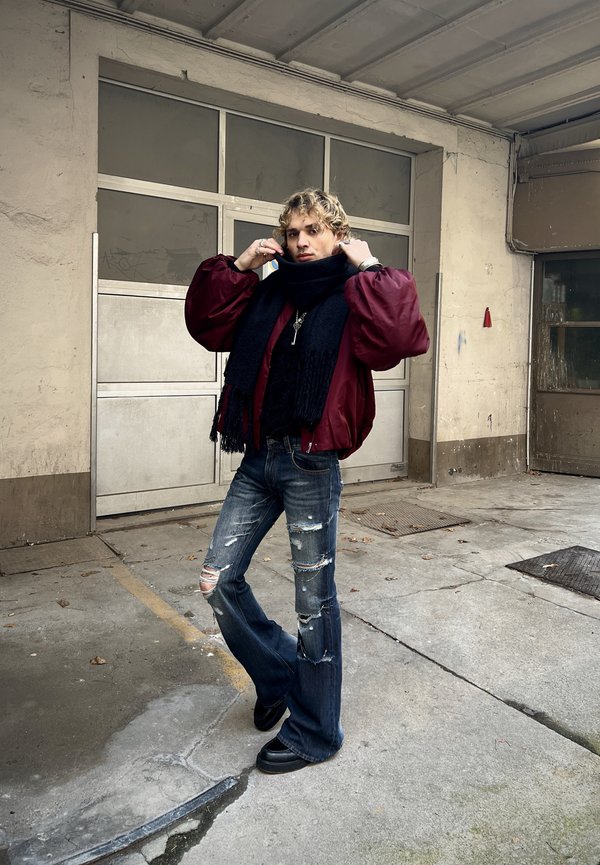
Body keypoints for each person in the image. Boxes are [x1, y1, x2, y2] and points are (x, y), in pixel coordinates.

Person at [185, 188, 429, 774]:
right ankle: (278, 676)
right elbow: (207, 325)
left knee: (313, 604)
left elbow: (401, 338)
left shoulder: (356, 296)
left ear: (338, 234)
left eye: (315, 230)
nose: (301, 242)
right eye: (293, 232)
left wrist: (369, 266)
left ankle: (316, 730)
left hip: (311, 464)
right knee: (219, 581)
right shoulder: (268, 292)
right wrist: (240, 268)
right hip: (259, 458)